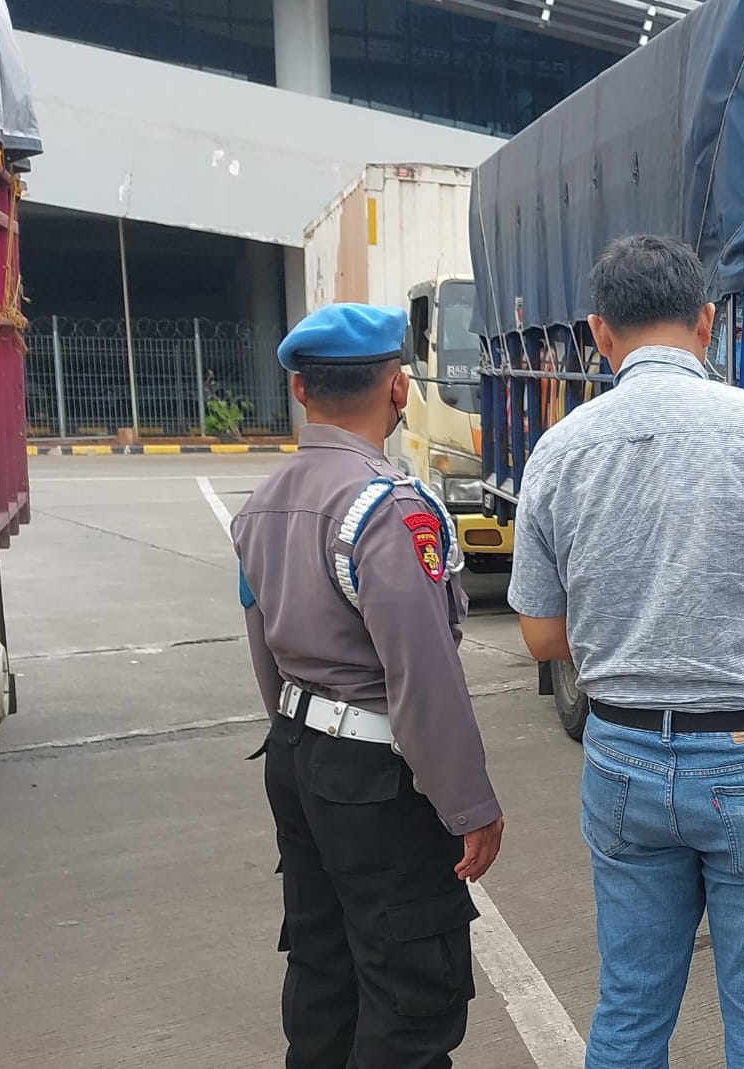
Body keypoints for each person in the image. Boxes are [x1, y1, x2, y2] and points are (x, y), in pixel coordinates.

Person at [508, 235, 744, 1069]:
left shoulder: (558, 451)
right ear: (707, 322)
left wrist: (629, 628)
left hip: (624, 759)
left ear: (600, 333)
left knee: (629, 1013)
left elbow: (540, 633)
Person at [233, 303, 504, 1069]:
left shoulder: (261, 503)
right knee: (410, 993)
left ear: (299, 389)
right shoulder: (388, 508)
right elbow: (422, 673)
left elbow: (263, 647)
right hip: (375, 778)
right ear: (398, 387)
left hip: (297, 752)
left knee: (323, 970)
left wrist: (300, 737)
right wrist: (469, 804)